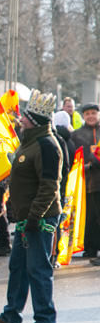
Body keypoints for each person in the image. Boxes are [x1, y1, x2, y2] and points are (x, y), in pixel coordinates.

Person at [0, 89, 62, 323]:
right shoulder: (29, 142)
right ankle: (11, 316)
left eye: (26, 116)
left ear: (35, 121)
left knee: (38, 269)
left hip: (39, 219)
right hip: (26, 219)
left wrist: (35, 217)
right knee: (18, 267)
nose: (21, 118)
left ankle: (45, 320)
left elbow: (50, 187)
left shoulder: (48, 146)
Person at [69, 103, 100, 263]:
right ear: (83, 116)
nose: (91, 116)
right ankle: (90, 248)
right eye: (87, 114)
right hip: (86, 182)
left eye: (93, 113)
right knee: (89, 217)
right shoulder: (77, 135)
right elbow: (73, 157)